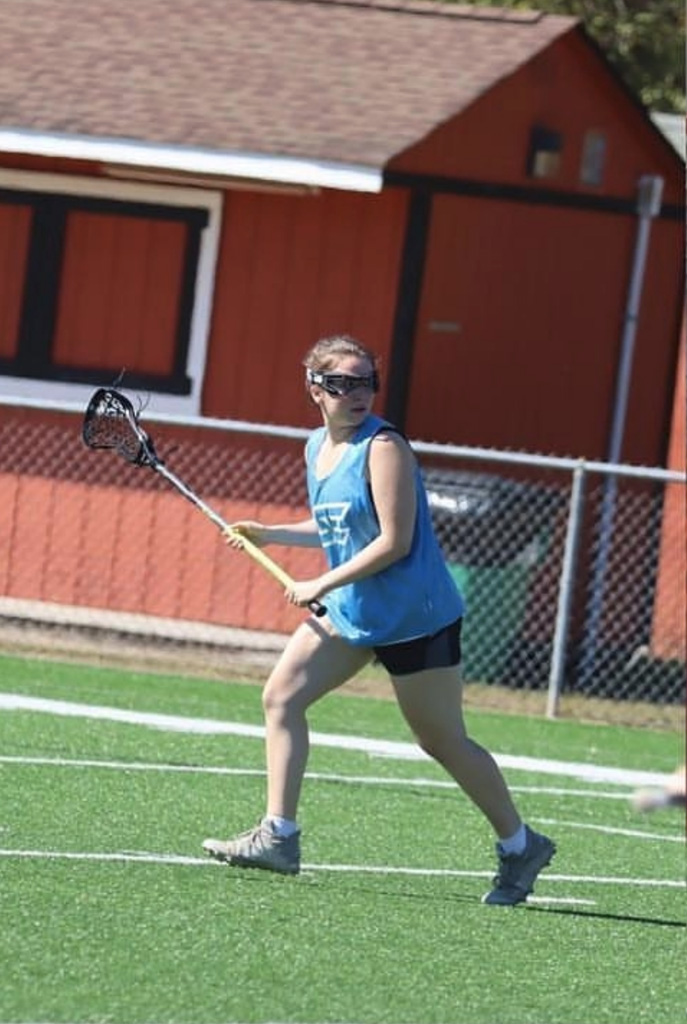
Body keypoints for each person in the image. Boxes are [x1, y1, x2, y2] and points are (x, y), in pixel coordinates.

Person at [203, 334, 556, 906]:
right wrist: (272, 534)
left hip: (415, 616)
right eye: (342, 383)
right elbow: (339, 525)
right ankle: (279, 836)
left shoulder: (384, 447)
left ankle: (520, 844)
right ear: (314, 388)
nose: (357, 393)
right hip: (356, 610)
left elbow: (395, 541)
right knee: (282, 698)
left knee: (441, 741)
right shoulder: (316, 447)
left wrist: (320, 583)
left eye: (366, 381)